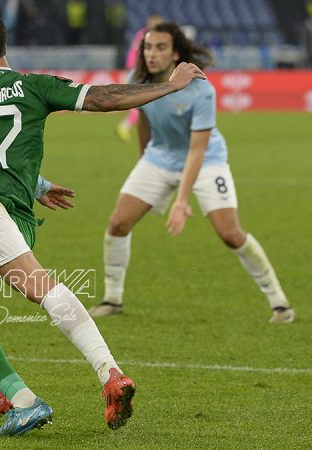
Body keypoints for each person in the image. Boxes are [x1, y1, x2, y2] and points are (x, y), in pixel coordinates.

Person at [0, 11, 208, 432]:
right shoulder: (34, 85)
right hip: (14, 215)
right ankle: (109, 372)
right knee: (41, 288)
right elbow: (103, 99)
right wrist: (169, 85)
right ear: (4, 48)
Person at [88, 22, 295, 324]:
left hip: (207, 160)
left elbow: (197, 150)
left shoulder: (201, 89)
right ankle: (112, 299)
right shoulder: (137, 78)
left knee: (230, 233)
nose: (152, 54)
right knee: (118, 223)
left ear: (175, 54)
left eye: (160, 47)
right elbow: (144, 118)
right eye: (148, 47)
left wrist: (182, 200)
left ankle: (280, 304)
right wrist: (143, 159)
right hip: (159, 158)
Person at [116, 14, 163, 142]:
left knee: (147, 102)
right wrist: (131, 69)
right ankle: (126, 125)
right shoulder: (145, 35)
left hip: (144, 71)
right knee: (144, 102)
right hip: (139, 71)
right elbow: (134, 53)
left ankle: (128, 126)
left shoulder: (149, 35)